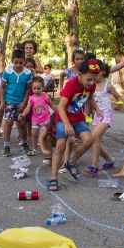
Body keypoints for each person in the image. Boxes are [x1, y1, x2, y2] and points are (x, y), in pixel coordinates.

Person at [47, 59, 103, 191]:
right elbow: (61, 106)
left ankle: (70, 163)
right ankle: (53, 178)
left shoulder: (91, 85)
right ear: (80, 74)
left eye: (94, 80)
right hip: (63, 118)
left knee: (89, 139)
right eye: (88, 79)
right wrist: (67, 125)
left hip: (78, 118)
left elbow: (90, 98)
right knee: (60, 146)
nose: (91, 83)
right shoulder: (71, 85)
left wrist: (97, 109)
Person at [84, 61, 121, 174]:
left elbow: (119, 98)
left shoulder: (107, 86)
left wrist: (119, 104)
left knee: (93, 138)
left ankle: (94, 165)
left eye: (95, 72)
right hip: (96, 117)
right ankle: (109, 161)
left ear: (101, 72)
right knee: (95, 141)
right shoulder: (91, 86)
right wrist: (88, 118)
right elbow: (89, 103)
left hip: (106, 116)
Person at [0, 49, 33, 156]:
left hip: (21, 102)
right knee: (8, 122)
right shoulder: (7, 72)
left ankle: (24, 143)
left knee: (21, 123)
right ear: (12, 61)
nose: (18, 65)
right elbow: (2, 87)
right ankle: (6, 146)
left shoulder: (28, 73)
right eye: (16, 62)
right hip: (9, 100)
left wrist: (25, 101)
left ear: (24, 61)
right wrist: (2, 101)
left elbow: (28, 88)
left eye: (21, 62)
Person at [21, 76, 57, 157]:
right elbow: (28, 108)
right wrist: (23, 114)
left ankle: (47, 150)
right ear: (32, 88)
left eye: (38, 88)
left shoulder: (45, 96)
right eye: (34, 88)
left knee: (45, 136)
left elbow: (52, 105)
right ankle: (34, 149)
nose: (36, 90)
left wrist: (59, 112)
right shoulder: (31, 98)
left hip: (46, 119)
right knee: (34, 134)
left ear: (43, 87)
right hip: (35, 119)